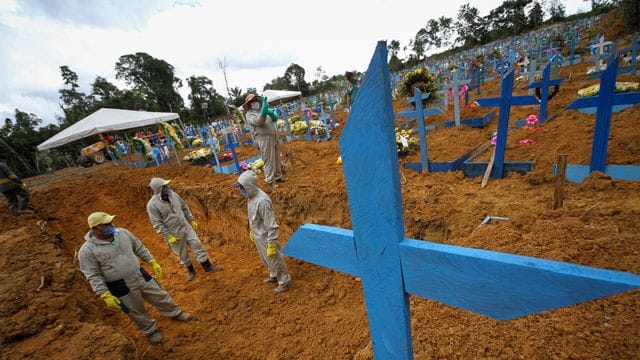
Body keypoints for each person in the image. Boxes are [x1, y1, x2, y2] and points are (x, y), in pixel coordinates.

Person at [78, 212, 193, 344]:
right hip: (119, 284)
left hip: (139, 273)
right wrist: (104, 294)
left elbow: (139, 247)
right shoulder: (87, 251)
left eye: (110, 222)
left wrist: (151, 261)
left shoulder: (123, 233)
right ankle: (150, 330)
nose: (111, 225)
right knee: (135, 309)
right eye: (106, 224)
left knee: (159, 294)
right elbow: (93, 275)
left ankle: (175, 312)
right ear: (95, 229)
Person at [146, 177, 222, 281]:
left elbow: (184, 207)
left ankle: (207, 266)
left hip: (185, 226)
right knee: (182, 252)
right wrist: (168, 236)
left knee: (197, 244)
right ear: (159, 189)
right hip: (173, 232)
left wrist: (191, 220)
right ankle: (190, 270)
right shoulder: (152, 205)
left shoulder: (174, 195)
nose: (167, 187)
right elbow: (157, 223)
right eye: (164, 186)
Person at [233, 170, 291, 294]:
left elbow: (272, 225)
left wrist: (271, 243)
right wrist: (252, 231)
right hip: (258, 235)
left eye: (243, 188)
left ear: (250, 186)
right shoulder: (250, 197)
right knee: (265, 258)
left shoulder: (262, 201)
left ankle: (284, 281)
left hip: (267, 237)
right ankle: (273, 275)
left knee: (275, 259)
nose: (241, 191)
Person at [242, 94, 285, 188]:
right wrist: (264, 111)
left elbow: (274, 119)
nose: (255, 103)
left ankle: (278, 176)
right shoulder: (249, 114)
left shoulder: (262, 110)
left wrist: (272, 114)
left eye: (256, 100)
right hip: (263, 139)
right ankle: (270, 180)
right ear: (249, 104)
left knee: (276, 157)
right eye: (252, 102)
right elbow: (259, 122)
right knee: (269, 159)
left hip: (273, 136)